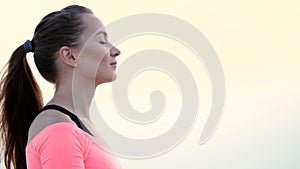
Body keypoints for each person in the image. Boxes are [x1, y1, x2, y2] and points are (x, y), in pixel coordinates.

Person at [0, 5, 121, 169]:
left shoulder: (75, 126)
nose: (115, 50)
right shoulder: (57, 127)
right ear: (70, 56)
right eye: (101, 41)